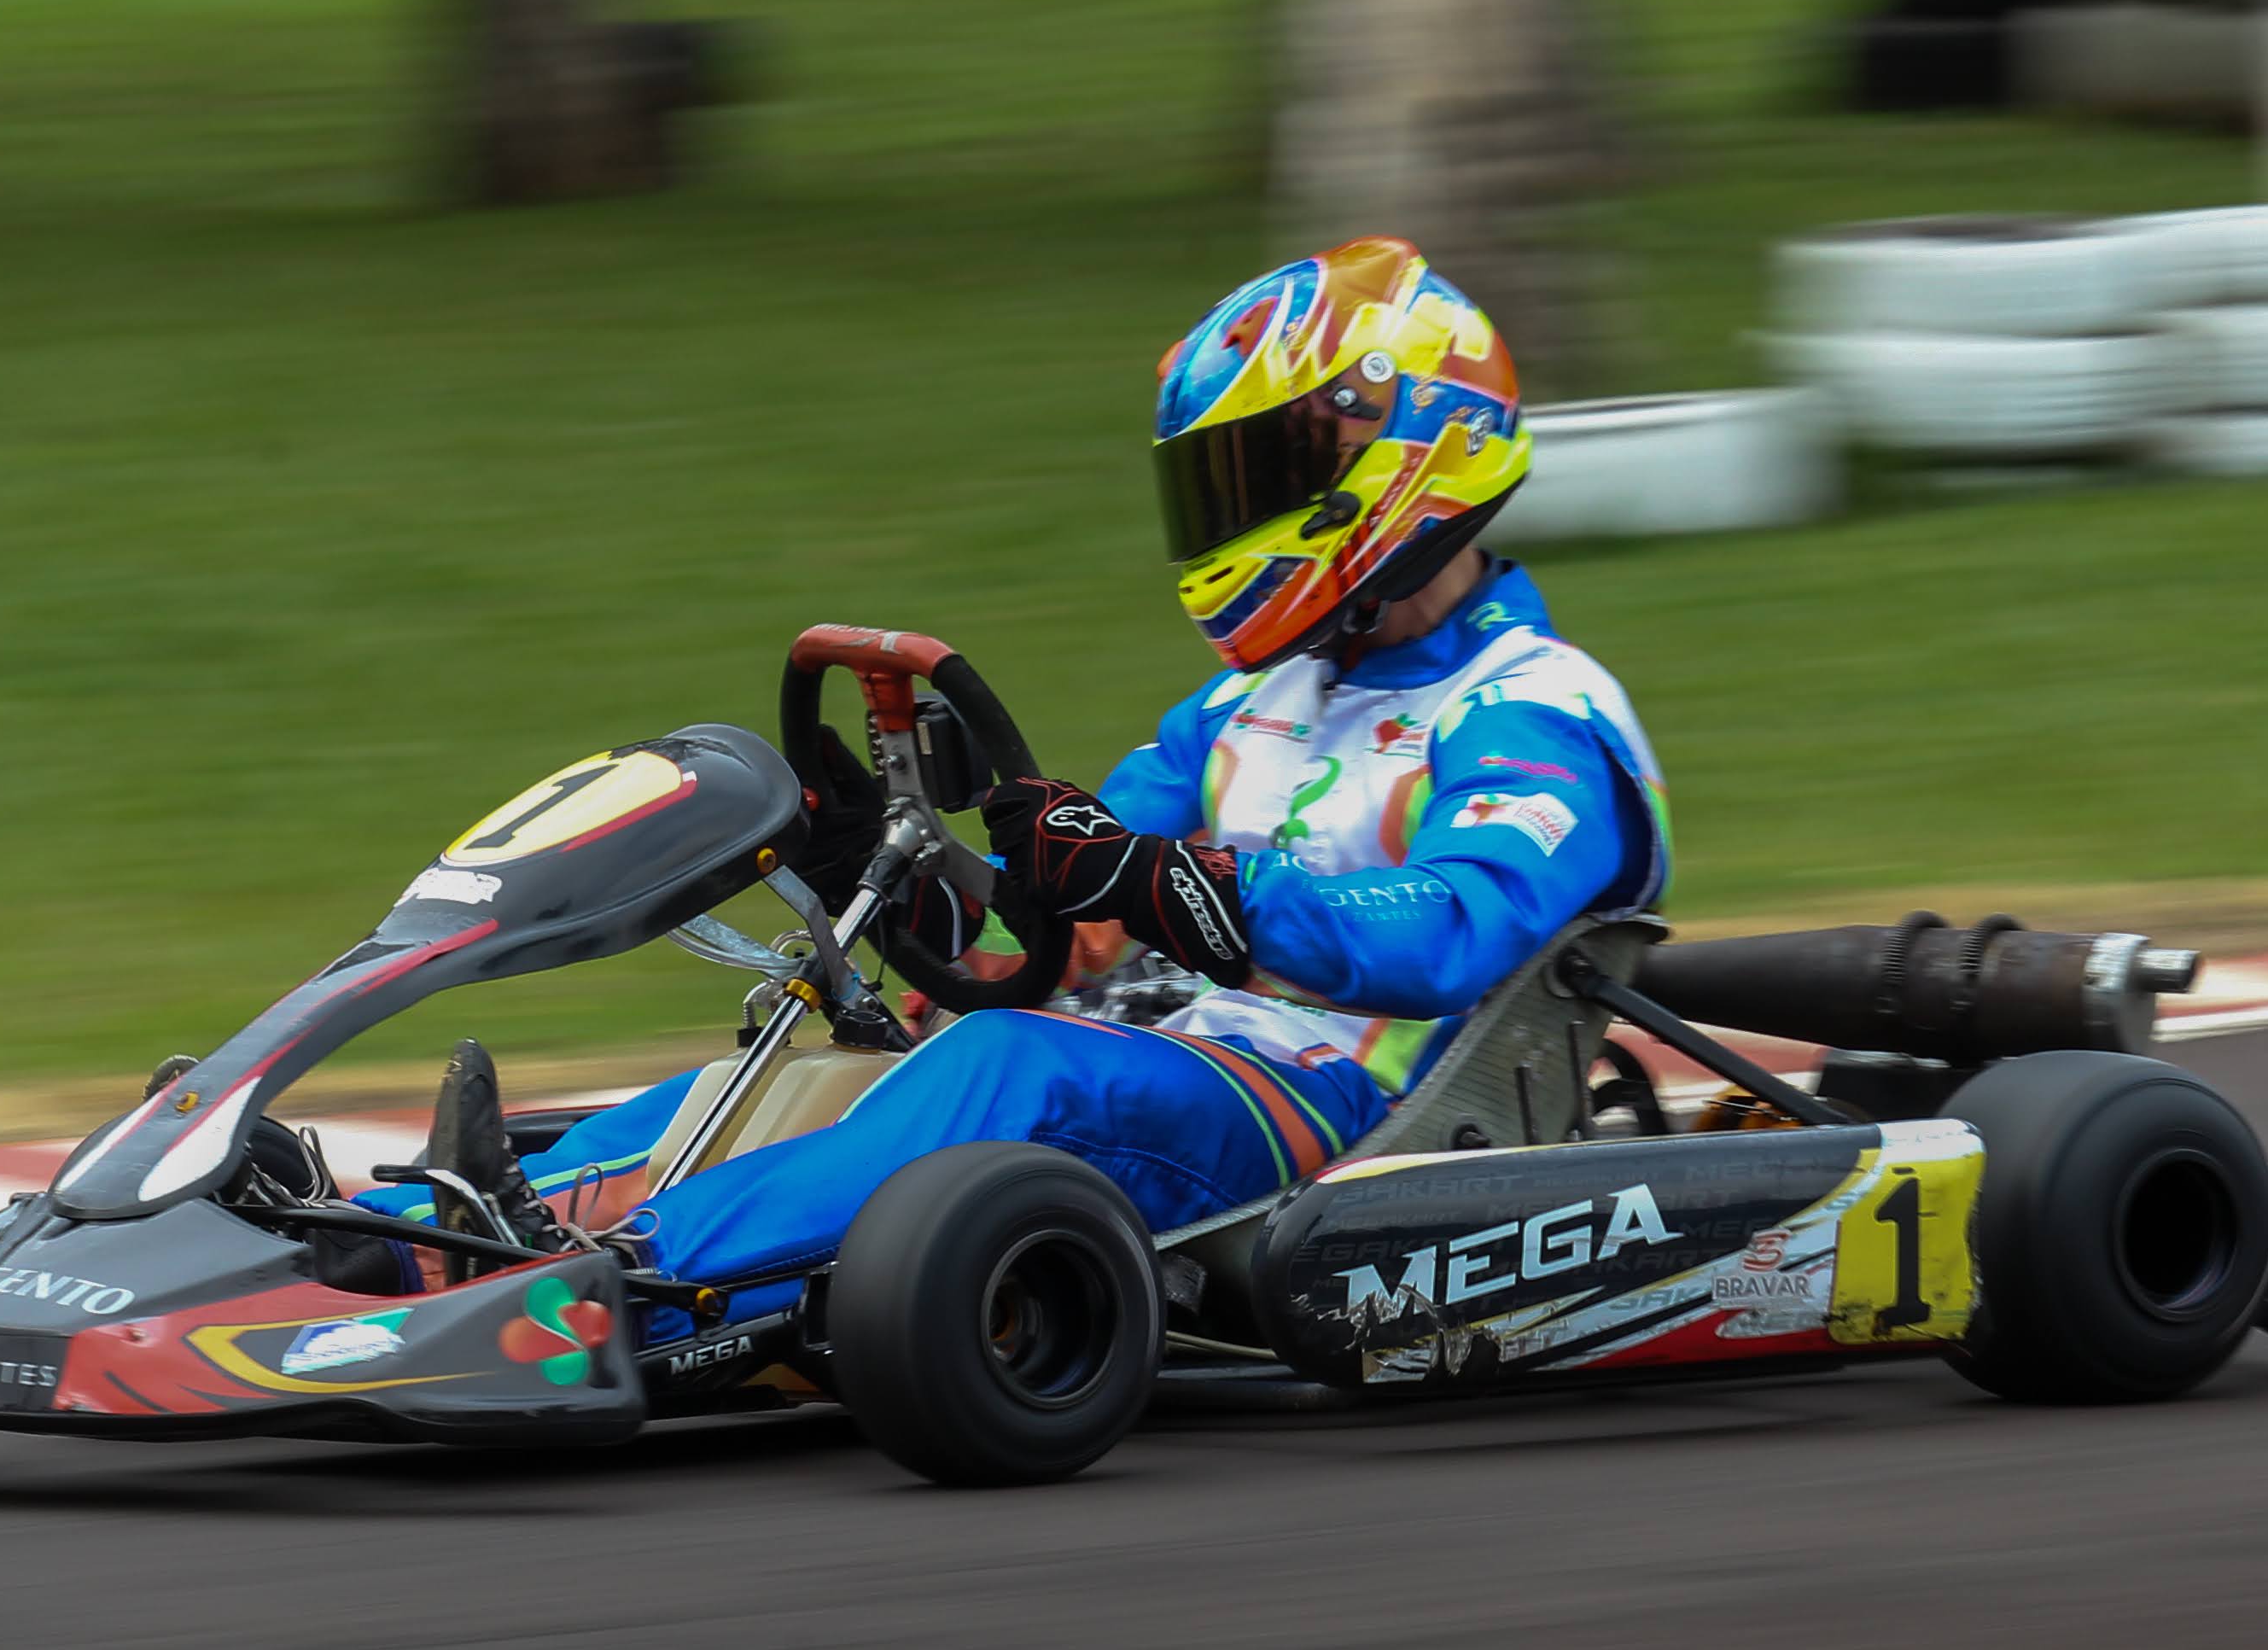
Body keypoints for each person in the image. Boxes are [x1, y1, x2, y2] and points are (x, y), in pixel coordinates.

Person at [417, 236, 1667, 1342]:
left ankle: (613, 1287)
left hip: (1354, 1115)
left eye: (1267, 472)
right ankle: (401, 1232)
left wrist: (1188, 886)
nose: (1237, 514)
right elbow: (1063, 933)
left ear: (1406, 455)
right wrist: (904, 888)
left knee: (1015, 1069)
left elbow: (1457, 932)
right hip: (1179, 1056)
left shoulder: (1537, 706)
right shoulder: (1247, 706)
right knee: (844, 1066)